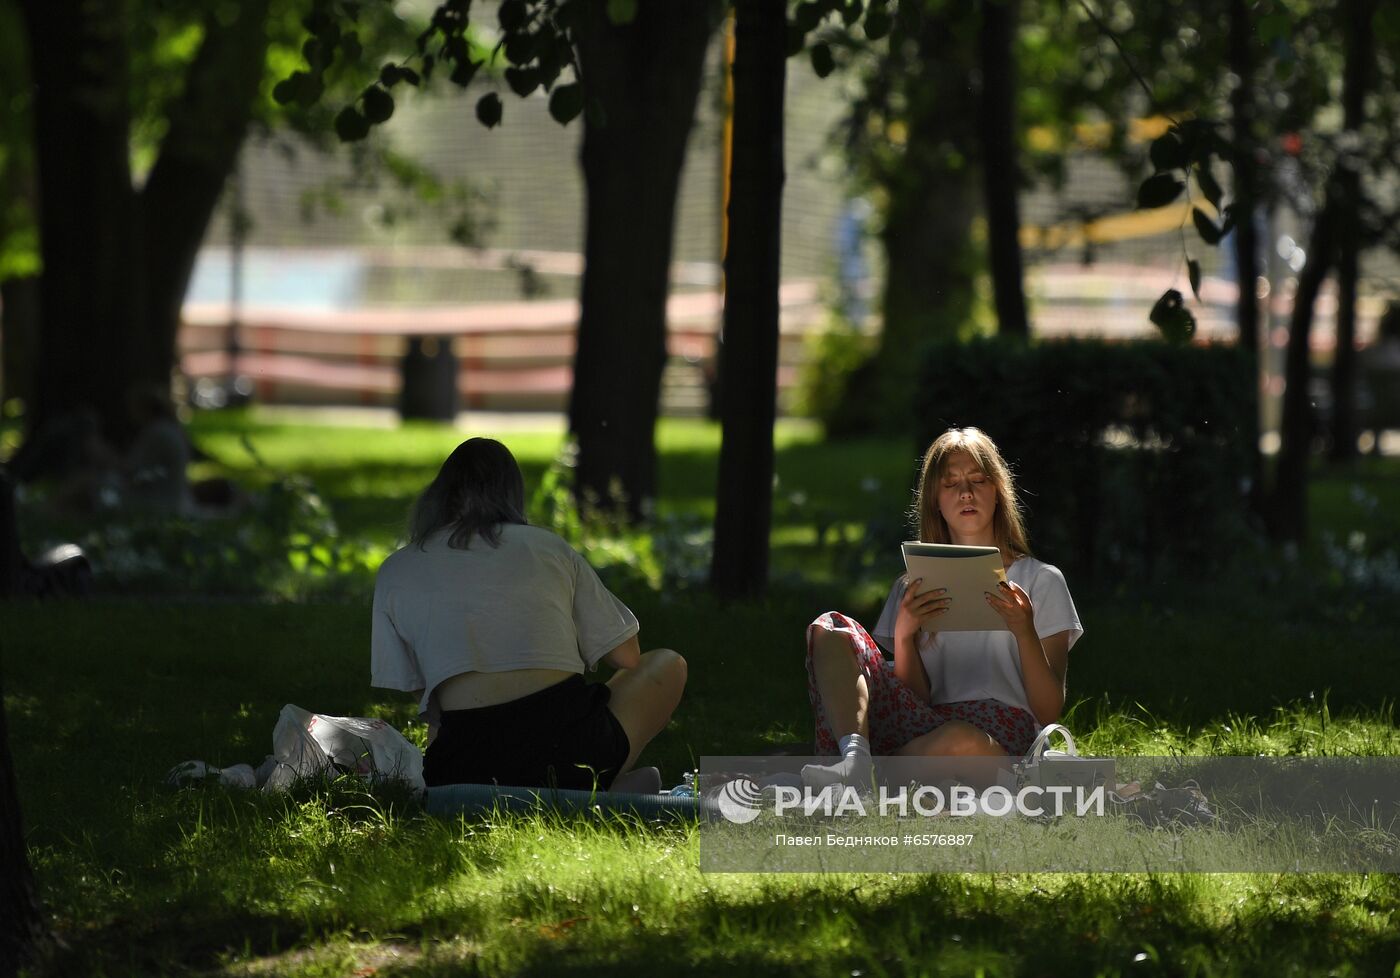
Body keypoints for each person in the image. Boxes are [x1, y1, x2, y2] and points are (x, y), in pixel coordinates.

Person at [371, 437, 686, 791]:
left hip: (461, 767)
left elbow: (423, 693)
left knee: (443, 719)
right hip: (572, 752)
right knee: (667, 665)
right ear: (512, 495)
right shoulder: (547, 547)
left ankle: (594, 789)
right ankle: (601, 786)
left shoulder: (396, 569)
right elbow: (627, 656)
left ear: (440, 494)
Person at [802, 427, 1083, 788]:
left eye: (978, 480)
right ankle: (855, 760)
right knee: (831, 628)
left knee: (959, 740)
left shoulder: (1041, 579)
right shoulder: (913, 584)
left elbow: (1047, 712)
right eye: (950, 484)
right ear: (935, 498)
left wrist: (1024, 630)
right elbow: (914, 699)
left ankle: (864, 780)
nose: (966, 492)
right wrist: (904, 636)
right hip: (923, 727)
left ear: (998, 491)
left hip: (997, 739)